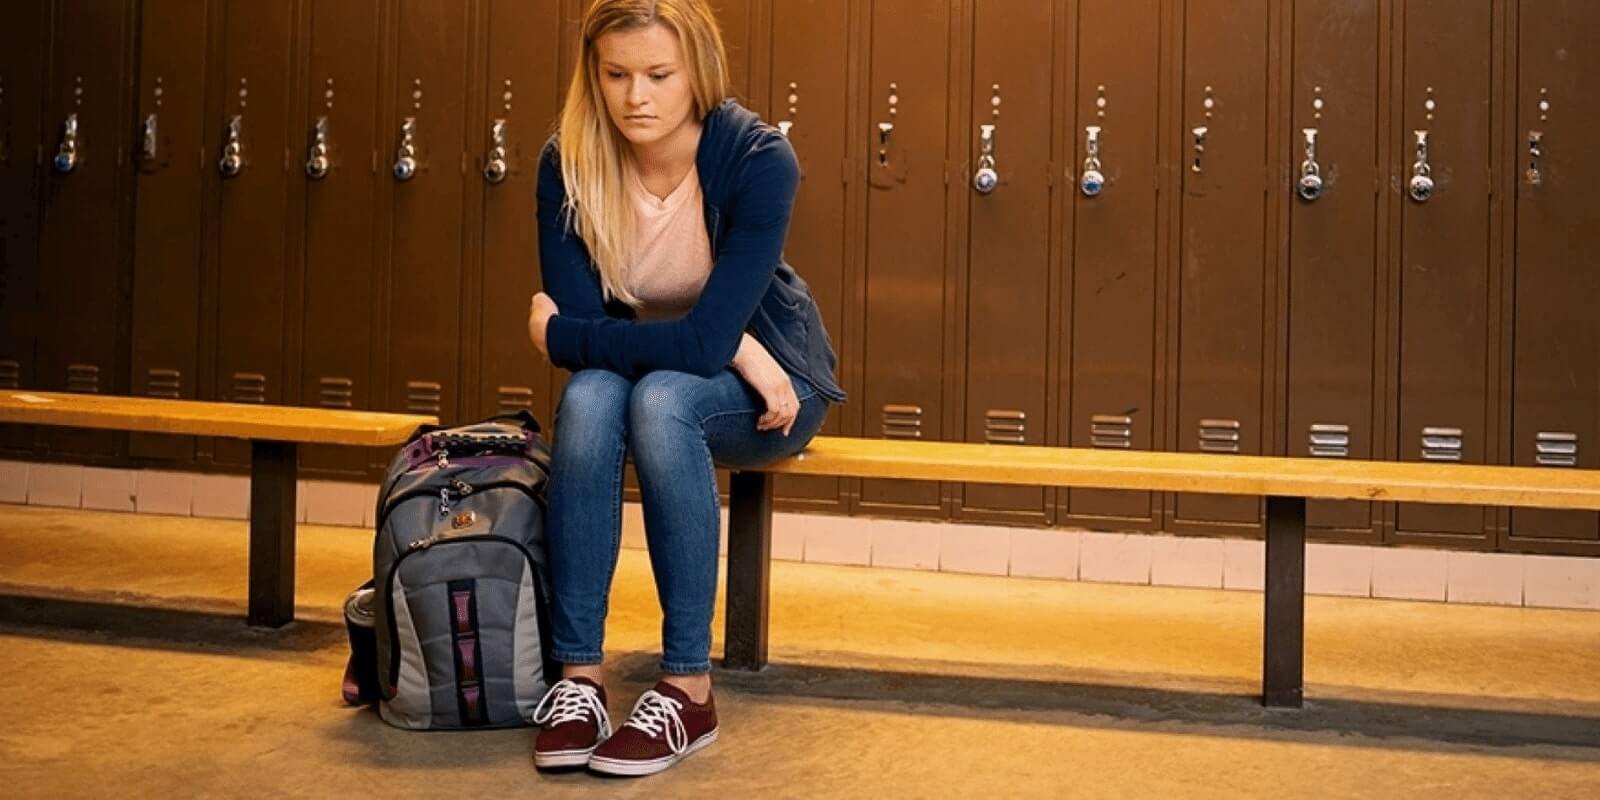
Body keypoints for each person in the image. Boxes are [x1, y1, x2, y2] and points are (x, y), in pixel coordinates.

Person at [523, 0, 846, 778]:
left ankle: (686, 688)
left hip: (776, 387)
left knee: (660, 400)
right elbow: (599, 355)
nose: (636, 96)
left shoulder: (758, 159)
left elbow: (586, 334)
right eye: (616, 75)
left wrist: (566, 334)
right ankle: (579, 680)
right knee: (594, 399)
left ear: (697, 70)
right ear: (593, 76)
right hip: (663, 375)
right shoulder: (567, 161)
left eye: (659, 75)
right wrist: (712, 344)